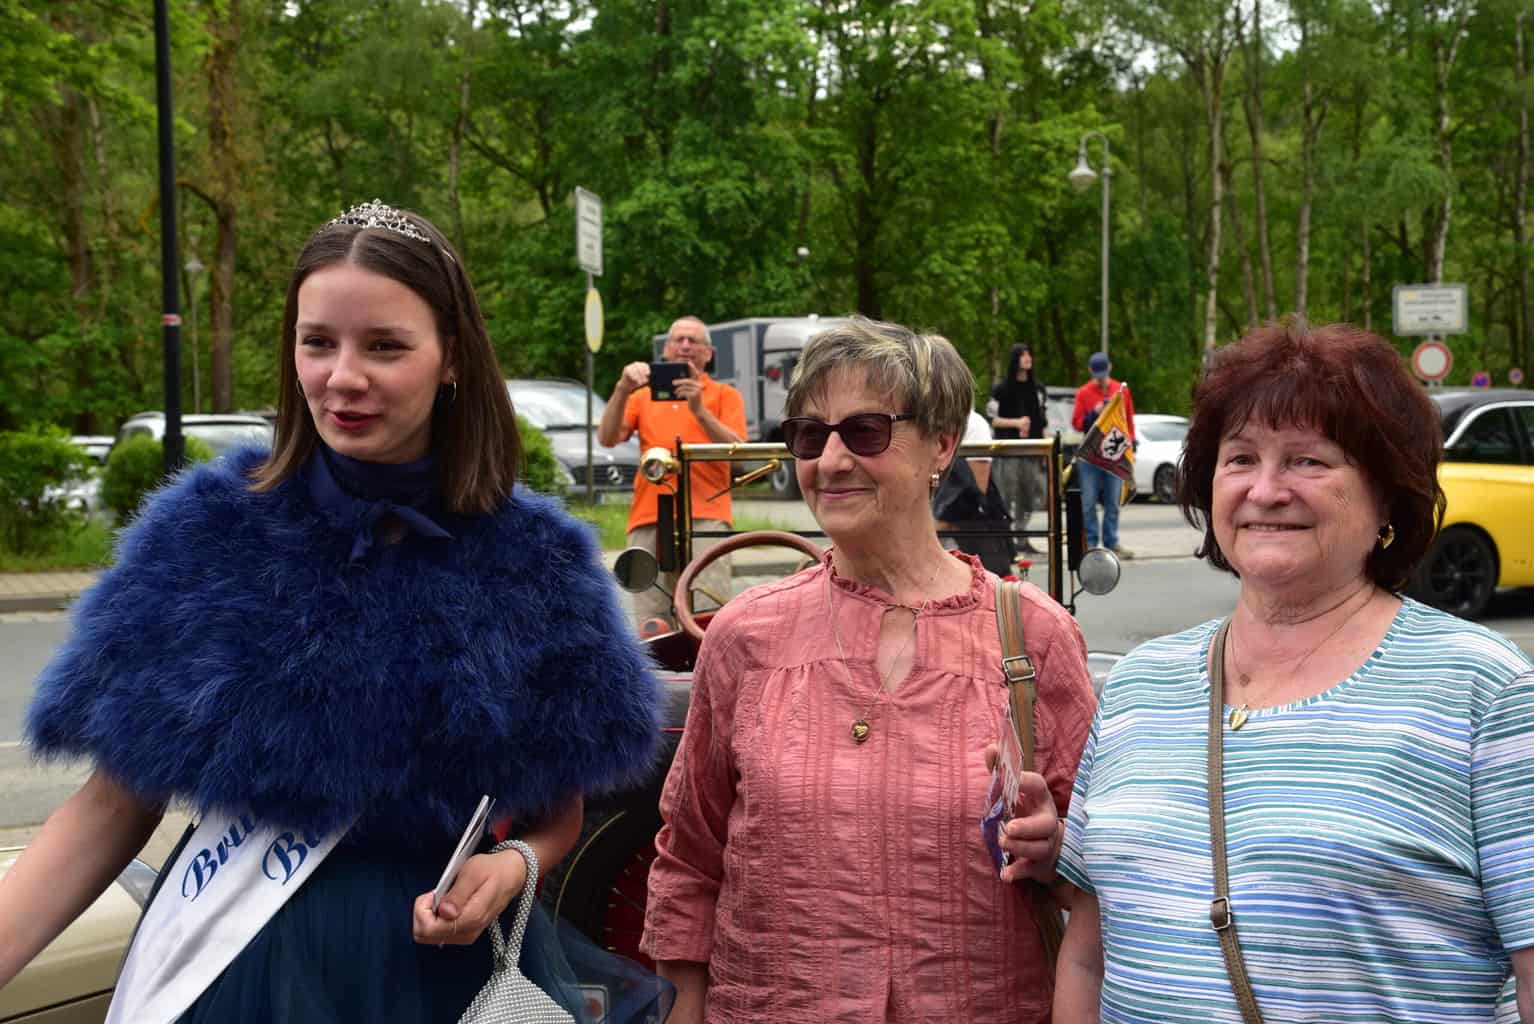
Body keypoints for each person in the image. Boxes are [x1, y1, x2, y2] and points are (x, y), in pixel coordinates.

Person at [0, 201, 665, 1023]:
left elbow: (558, 812)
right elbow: (111, 807)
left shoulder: (538, 561)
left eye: (384, 346)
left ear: (452, 357)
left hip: (439, 981)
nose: (343, 377)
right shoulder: (206, 536)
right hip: (242, 975)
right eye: (318, 342)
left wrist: (514, 867)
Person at [1053, 320, 1534, 1022]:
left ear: (1386, 497)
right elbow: (1088, 956)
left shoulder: (1483, 689)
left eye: (1308, 460)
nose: (1265, 489)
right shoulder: (1138, 684)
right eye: (1240, 458)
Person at [640, 316, 1099, 1022]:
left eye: (864, 432)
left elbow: (1107, 875)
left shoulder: (1033, 637)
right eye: (808, 434)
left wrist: (1057, 848)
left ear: (942, 442)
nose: (830, 461)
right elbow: (689, 861)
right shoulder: (746, 635)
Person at [597, 316, 747, 631]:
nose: (685, 346)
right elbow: (607, 438)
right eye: (678, 339)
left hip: (707, 515)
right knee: (652, 621)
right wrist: (622, 388)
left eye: (694, 341)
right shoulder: (642, 396)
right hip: (650, 515)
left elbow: (739, 456)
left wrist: (699, 410)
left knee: (709, 616)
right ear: (665, 349)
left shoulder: (724, 395)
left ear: (708, 353)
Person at [1070, 352, 1136, 559]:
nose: (1101, 379)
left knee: (1113, 501)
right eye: (1097, 375)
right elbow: (1077, 423)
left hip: (1114, 455)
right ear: (1091, 371)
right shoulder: (1083, 393)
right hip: (1090, 456)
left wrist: (1132, 445)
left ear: (1110, 368)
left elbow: (1128, 419)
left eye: (1104, 374)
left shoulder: (1121, 390)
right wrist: (1094, 412)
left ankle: (1111, 541)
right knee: (1088, 502)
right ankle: (1090, 543)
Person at [990, 343, 1048, 553]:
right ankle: (1007, 540)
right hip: (1008, 450)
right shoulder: (1001, 390)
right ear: (1015, 359)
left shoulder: (1038, 390)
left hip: (1032, 450)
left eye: (1029, 354)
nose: (1027, 358)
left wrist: (1045, 449)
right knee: (1007, 495)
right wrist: (1016, 423)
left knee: (1031, 495)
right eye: (1023, 355)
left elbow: (1042, 420)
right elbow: (993, 419)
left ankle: (1021, 537)